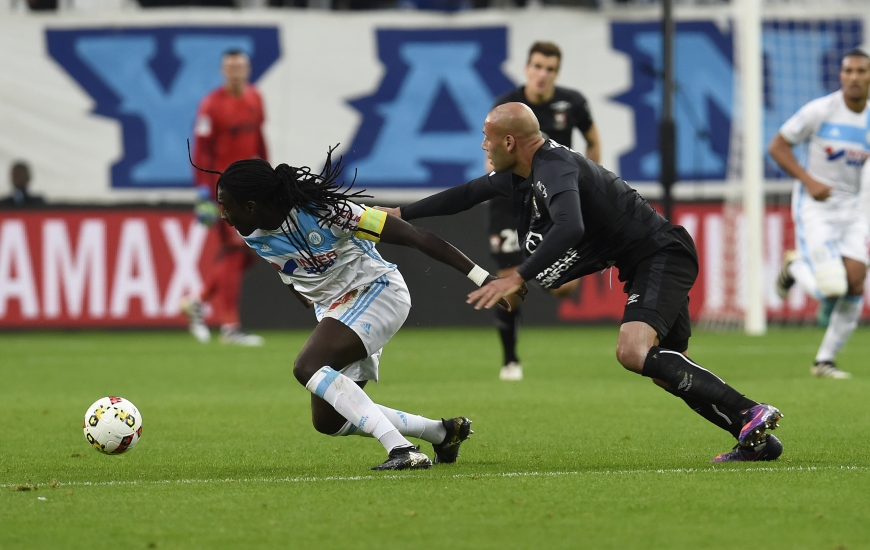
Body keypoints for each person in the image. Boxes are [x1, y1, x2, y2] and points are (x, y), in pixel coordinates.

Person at [380, 103, 784, 463]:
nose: (482, 147)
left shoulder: (554, 167)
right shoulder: (523, 173)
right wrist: (402, 212)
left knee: (632, 351)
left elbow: (570, 225)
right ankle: (755, 442)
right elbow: (467, 194)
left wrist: (518, 275)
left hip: (660, 255)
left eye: (486, 139)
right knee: (665, 369)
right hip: (647, 259)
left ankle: (750, 411)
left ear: (508, 141)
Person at [195, 148, 524, 471]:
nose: (222, 214)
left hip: (377, 291)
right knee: (329, 420)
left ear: (251, 206)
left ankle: (402, 449)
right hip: (336, 311)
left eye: (226, 206)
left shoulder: (326, 212)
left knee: (307, 366)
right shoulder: (250, 232)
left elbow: (414, 236)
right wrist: (304, 296)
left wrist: (483, 278)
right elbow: (287, 270)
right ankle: (442, 432)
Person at [487, 41, 599, 381]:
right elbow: (491, 151)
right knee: (508, 287)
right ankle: (510, 361)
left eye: (550, 69)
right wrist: (496, 181)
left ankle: (531, 270)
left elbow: (593, 139)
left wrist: (590, 178)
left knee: (563, 288)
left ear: (557, 73)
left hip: (551, 201)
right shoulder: (507, 106)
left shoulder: (573, 103)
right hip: (511, 204)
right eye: (537, 66)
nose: (542, 74)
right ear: (526, 68)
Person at [769, 48, 870, 379]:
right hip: (817, 207)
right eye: (848, 71)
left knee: (855, 283)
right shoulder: (821, 110)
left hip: (853, 210)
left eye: (861, 71)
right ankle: (794, 266)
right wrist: (809, 181)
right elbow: (777, 146)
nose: (854, 77)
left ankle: (824, 361)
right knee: (832, 289)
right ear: (841, 76)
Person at [182, 49, 268, 346]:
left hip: (251, 188)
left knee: (245, 255)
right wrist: (203, 192)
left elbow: (258, 139)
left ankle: (199, 300)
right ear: (223, 71)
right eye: (230, 67)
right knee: (235, 251)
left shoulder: (255, 98)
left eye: (240, 66)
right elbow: (202, 150)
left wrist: (268, 175)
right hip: (225, 188)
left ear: (248, 69)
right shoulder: (211, 105)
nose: (235, 72)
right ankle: (230, 326)